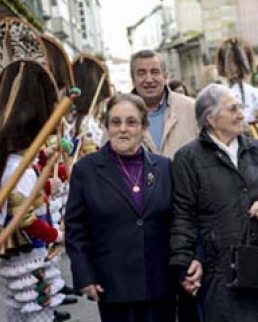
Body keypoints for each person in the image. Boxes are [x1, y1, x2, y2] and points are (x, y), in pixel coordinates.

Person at [170, 84, 258, 321]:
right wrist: (184, 262)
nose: (241, 114)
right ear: (211, 118)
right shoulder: (188, 159)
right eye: (233, 109)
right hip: (220, 270)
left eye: (240, 107)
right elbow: (183, 215)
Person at [65, 93, 179, 321]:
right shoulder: (86, 170)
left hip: (159, 284)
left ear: (143, 126)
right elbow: (75, 229)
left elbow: (178, 220)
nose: (123, 129)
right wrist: (85, 276)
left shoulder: (165, 167)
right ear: (107, 126)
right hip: (114, 285)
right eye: (116, 122)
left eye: (131, 122)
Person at [0, 60, 65, 321]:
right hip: (30, 253)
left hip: (32, 252)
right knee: (35, 313)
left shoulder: (18, 164)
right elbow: (25, 219)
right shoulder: (14, 169)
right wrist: (56, 234)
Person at [131, 50, 199, 158]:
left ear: (166, 77)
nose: (149, 79)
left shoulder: (191, 109)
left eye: (155, 72)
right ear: (133, 80)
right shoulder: (119, 116)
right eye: (141, 73)